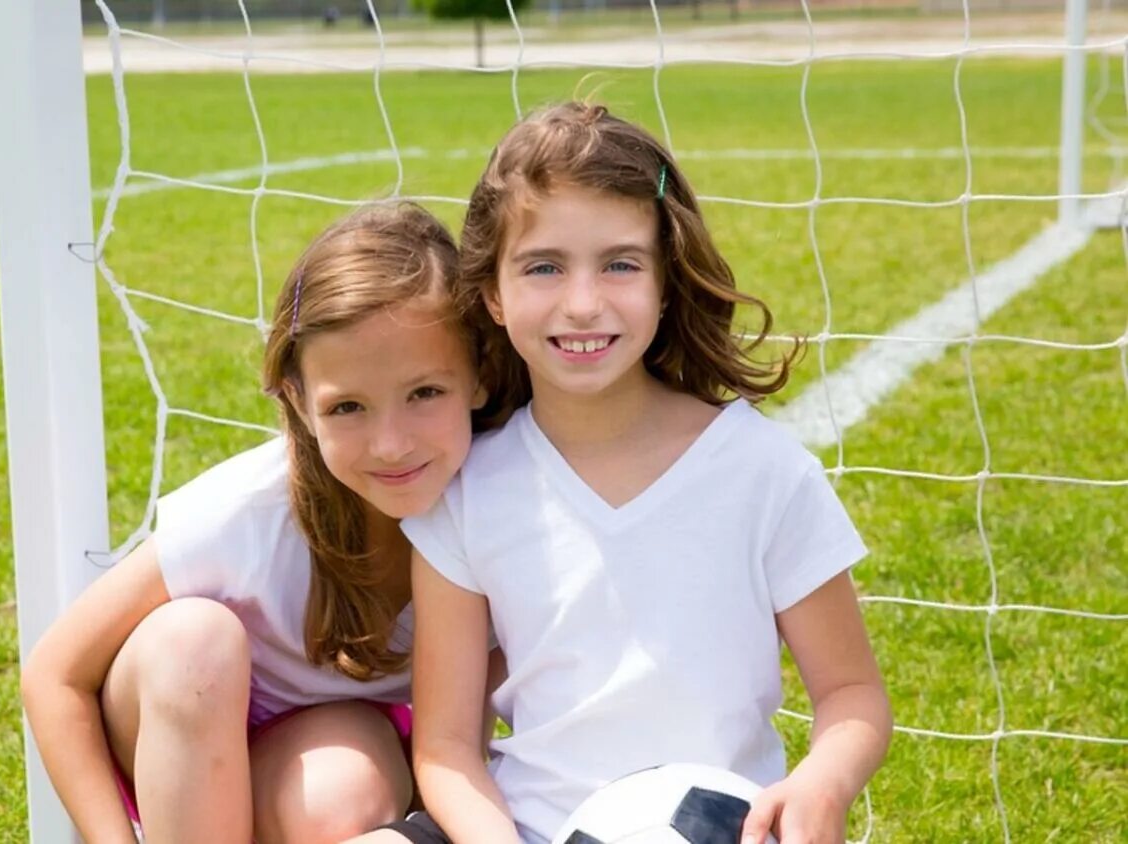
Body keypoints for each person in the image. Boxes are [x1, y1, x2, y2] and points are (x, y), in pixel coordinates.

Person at [369, 103, 892, 844]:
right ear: (492, 292)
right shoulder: (467, 492)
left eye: (620, 264)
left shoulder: (763, 472)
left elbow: (852, 696)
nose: (583, 304)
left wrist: (820, 783)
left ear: (667, 281)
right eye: (544, 267)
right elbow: (448, 749)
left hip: (721, 826)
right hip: (521, 828)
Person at [20, 202, 525, 844]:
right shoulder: (247, 515)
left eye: (425, 393)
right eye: (348, 407)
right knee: (192, 641)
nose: (391, 444)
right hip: (179, 717)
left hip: (336, 743)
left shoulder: (508, 506)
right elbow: (54, 675)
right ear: (297, 399)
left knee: (338, 801)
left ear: (479, 375)